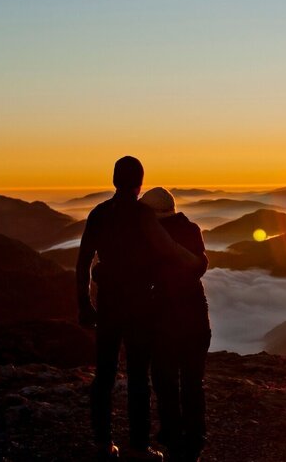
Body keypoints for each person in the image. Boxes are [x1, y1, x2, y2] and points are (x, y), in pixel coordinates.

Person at [76, 157, 203, 462]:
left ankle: (103, 443)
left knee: (104, 374)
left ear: (114, 180)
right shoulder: (143, 215)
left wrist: (84, 304)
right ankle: (138, 446)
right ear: (140, 183)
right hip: (139, 306)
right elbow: (167, 249)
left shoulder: (99, 213)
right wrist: (196, 262)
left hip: (107, 304)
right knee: (137, 376)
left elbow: (83, 262)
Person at [139, 187, 210, 462]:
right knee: (193, 380)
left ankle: (172, 435)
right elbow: (199, 265)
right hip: (195, 314)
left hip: (165, 315)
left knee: (165, 379)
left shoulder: (150, 237)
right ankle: (195, 437)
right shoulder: (192, 229)